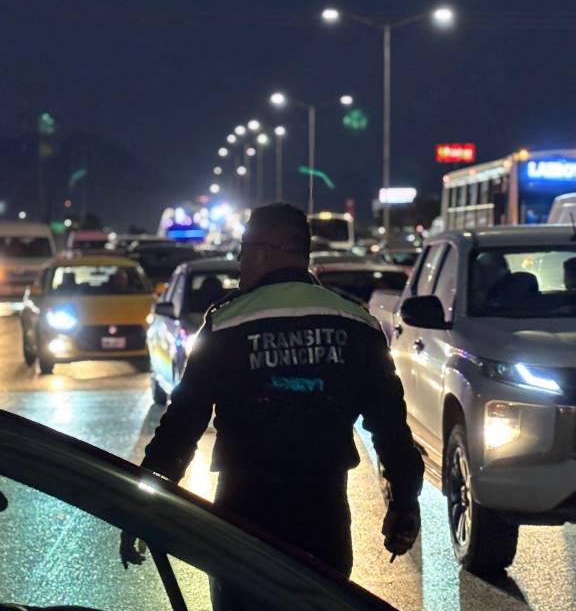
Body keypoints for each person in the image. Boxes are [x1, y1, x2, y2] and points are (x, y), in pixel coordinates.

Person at [120, 203, 424, 602]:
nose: (240, 261)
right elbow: (390, 428)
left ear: (267, 250)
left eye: (244, 248)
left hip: (244, 516)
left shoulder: (226, 324)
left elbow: (182, 425)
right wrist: (404, 503)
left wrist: (142, 504)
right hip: (324, 517)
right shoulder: (355, 323)